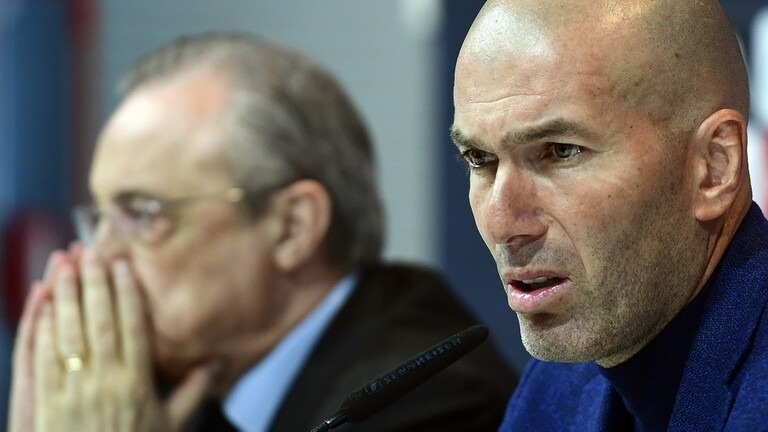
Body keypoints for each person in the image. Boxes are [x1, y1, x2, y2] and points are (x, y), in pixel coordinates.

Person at [8, 32, 517, 432]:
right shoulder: (155, 392)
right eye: (98, 219)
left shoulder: (423, 403)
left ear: (292, 228)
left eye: (142, 214)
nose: (98, 258)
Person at [451, 0, 768, 430]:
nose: (501, 223)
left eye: (561, 151)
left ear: (713, 168)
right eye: (479, 158)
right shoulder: (554, 389)